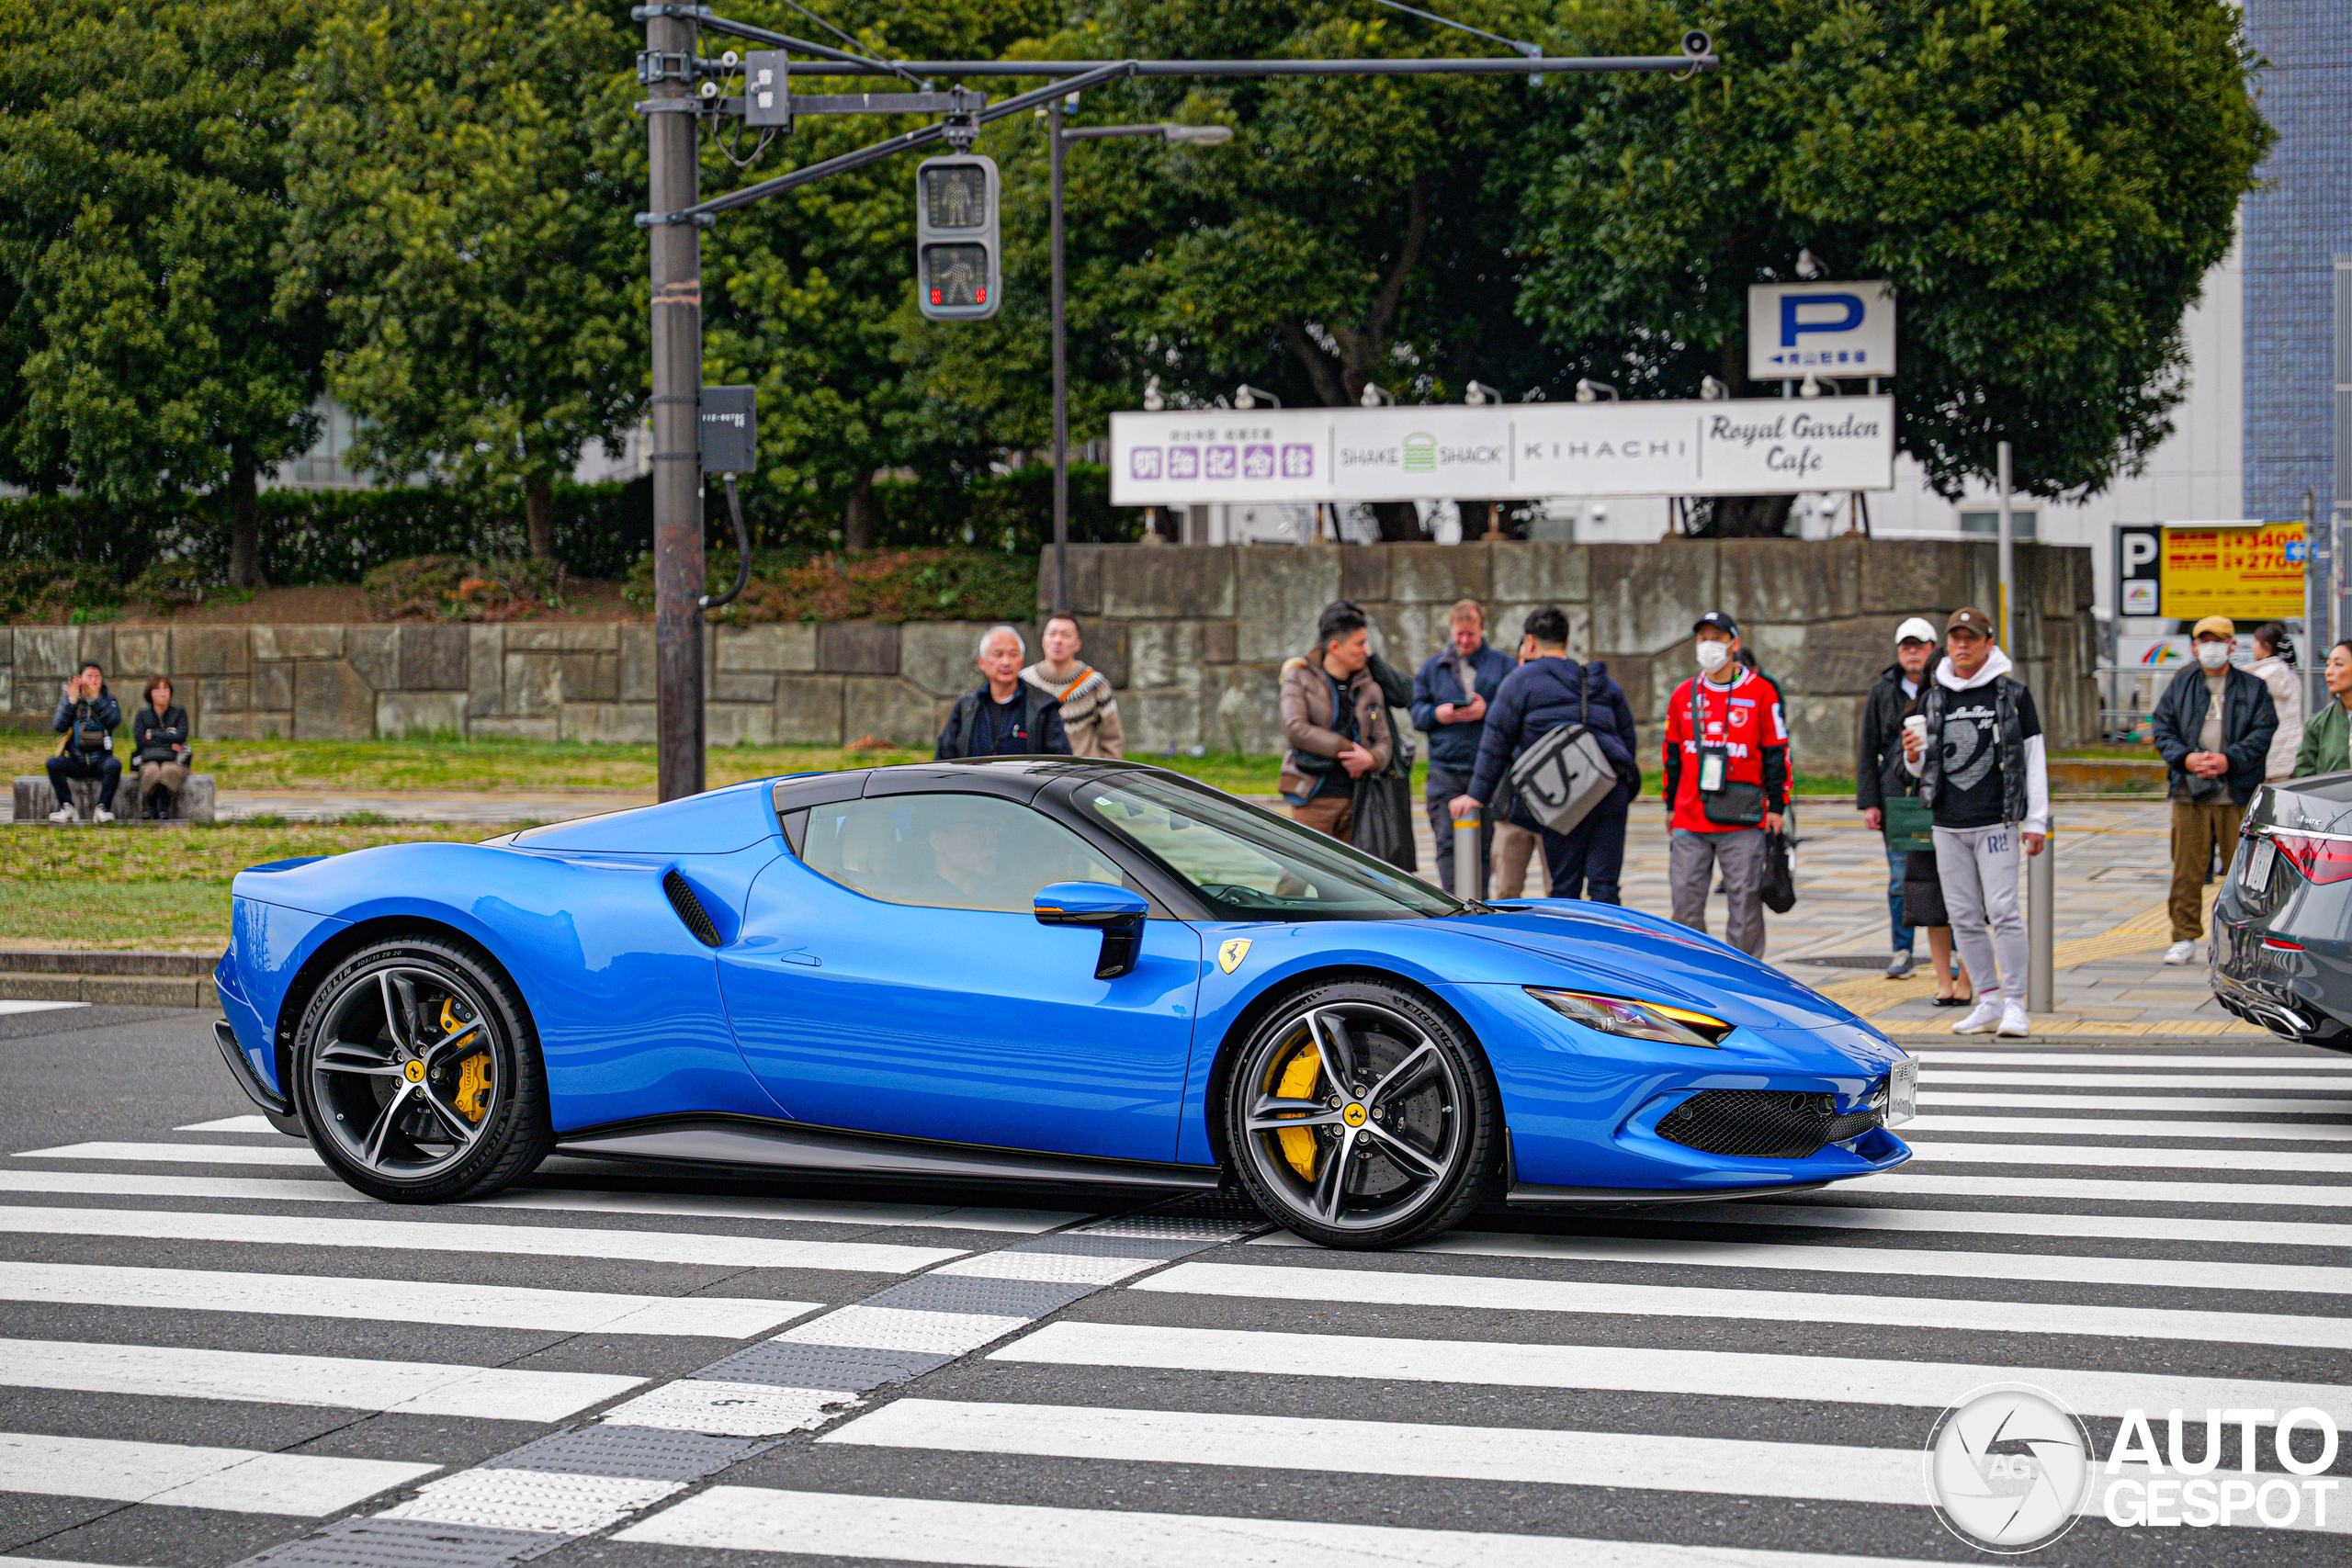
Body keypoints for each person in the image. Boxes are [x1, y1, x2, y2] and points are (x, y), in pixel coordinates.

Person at [1903, 607, 2052, 1037]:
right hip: (1947, 823)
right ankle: (1986, 999)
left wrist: (2035, 821)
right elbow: (1921, 769)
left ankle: (2015, 1003)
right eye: (1955, 639)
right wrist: (1913, 755)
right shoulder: (1934, 696)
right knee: (1963, 915)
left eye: (1971, 638)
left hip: (1997, 820)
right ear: (1946, 645)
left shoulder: (2012, 694)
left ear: (1989, 643)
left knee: (2004, 911)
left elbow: (2033, 757)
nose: (1962, 646)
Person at [1449, 605, 1640, 902]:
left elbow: (1496, 740)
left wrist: (1476, 794)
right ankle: (1605, 946)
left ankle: (1568, 945)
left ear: (1530, 642)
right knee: (1605, 886)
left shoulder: (1520, 681)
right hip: (1607, 789)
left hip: (1561, 793)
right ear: (1565, 643)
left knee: (1565, 887)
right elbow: (1626, 738)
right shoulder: (1599, 681)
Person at [2149, 615, 2277, 965]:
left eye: (2219, 641)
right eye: (2204, 641)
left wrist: (2228, 760)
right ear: (2193, 646)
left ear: (2232, 646)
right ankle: (2184, 935)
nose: (2211, 647)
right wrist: (2186, 759)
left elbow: (2263, 732)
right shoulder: (2182, 682)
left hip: (2236, 791)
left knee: (2245, 871)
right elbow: (2162, 728)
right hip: (2189, 792)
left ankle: (2243, 937)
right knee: (2187, 868)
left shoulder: (2253, 687)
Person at [1658, 612, 1788, 955]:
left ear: (1734, 644)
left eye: (1717, 637)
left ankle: (1747, 978)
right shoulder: (1683, 694)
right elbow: (1671, 754)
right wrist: (1670, 805)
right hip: (1690, 815)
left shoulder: (1761, 693)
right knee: (1684, 904)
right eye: (1702, 638)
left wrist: (1777, 808)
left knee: (1745, 905)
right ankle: (1692, 974)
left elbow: (1776, 752)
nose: (1708, 645)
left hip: (1742, 819)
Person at [1409, 600, 1511, 895]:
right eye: (1459, 635)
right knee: (1446, 842)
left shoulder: (1502, 666)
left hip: (1487, 768)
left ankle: (1478, 900)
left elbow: (1513, 713)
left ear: (1483, 630)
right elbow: (1416, 712)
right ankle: (1453, 901)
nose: (1464, 641)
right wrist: (1436, 715)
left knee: (1485, 846)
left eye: (1471, 635)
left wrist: (1486, 711)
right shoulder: (1433, 668)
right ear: (1452, 631)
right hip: (1445, 769)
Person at [1857, 618, 1939, 978]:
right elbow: (1866, 749)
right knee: (1899, 878)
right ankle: (1902, 949)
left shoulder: (1943, 687)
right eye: (1906, 646)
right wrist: (1869, 802)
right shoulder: (1882, 690)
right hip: (1896, 798)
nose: (1912, 653)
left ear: (1932, 649)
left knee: (1944, 876)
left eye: (1919, 646)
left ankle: (1950, 951)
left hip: (1937, 797)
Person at [1279, 602, 1394, 840]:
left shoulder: (1370, 687)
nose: (1366, 650)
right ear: (1335, 647)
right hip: (1313, 798)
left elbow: (1384, 740)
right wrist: (1350, 750)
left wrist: (1371, 759)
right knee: (1299, 874)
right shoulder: (1299, 677)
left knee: (1352, 877)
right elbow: (1295, 729)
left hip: (1359, 801)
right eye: (1360, 644)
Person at [936, 625, 1073, 759]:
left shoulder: (1043, 707)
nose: (1006, 662)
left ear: (1021, 660)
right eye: (998, 654)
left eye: (1013, 655)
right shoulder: (966, 707)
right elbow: (944, 761)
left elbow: (1060, 763)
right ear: (982, 662)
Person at [1022, 614, 1124, 760]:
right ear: (1043, 641)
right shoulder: (1024, 682)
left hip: (1081, 776)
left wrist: (1107, 774)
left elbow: (1113, 739)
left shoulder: (1095, 684)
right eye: (1052, 634)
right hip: (1035, 775)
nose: (1057, 641)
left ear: (1077, 645)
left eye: (1065, 635)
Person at [46, 660, 122, 824]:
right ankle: (67, 808)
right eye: (89, 676)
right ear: (80, 679)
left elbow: (114, 720)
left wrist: (96, 699)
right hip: (77, 759)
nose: (94, 680)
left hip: (100, 760)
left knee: (114, 766)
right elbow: (59, 726)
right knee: (53, 764)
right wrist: (72, 702)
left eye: (97, 676)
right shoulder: (69, 698)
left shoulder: (108, 699)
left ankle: (102, 808)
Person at [130, 675, 192, 820]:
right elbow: (140, 741)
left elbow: (181, 737)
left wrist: (153, 734)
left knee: (168, 770)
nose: (162, 693)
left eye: (166, 688)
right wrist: (168, 738)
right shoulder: (142, 715)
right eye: (157, 689)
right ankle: (150, 807)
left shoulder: (179, 713)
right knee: (151, 771)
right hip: (149, 758)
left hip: (174, 759)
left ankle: (164, 807)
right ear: (150, 693)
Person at [2248, 622, 2302, 783]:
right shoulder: (2291, 675)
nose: (2252, 647)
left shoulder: (2256, 679)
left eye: (2255, 642)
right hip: (2289, 760)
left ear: (2265, 646)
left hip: (2261, 761)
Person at [2292, 639, 2352, 778]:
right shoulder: (2319, 724)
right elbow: (2304, 776)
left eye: (2338, 664)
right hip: (2332, 799)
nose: (2329, 672)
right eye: (2327, 665)